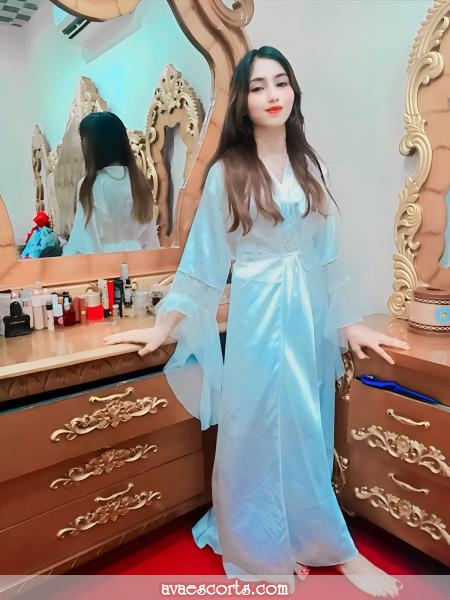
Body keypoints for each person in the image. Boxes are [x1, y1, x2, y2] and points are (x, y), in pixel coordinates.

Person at [104, 47, 409, 596]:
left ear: (293, 92)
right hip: (257, 313)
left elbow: (328, 257)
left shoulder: (310, 167)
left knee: (304, 423)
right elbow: (202, 263)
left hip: (305, 313)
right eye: (258, 86)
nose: (272, 95)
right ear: (243, 102)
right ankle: (260, 542)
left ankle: (319, 539)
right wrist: (162, 327)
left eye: (281, 82)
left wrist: (350, 326)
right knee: (252, 426)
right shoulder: (228, 173)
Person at [63, 111, 159, 255]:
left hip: (103, 263)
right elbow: (150, 239)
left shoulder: (90, 185)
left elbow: (83, 242)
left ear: (91, 147)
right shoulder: (138, 181)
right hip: (139, 261)